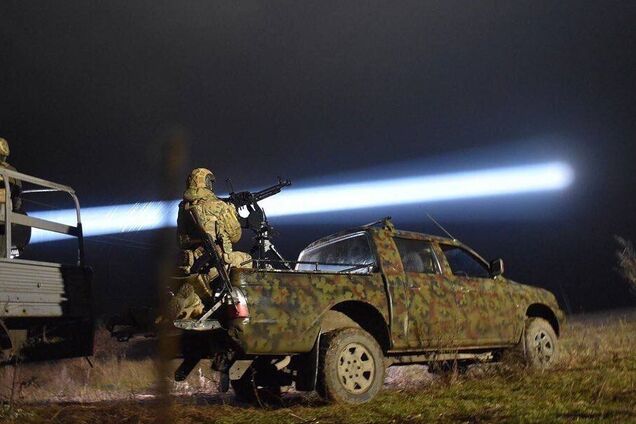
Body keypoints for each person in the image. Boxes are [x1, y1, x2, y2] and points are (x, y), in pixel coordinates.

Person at [169, 168, 252, 320]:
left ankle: (192, 300)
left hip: (193, 263)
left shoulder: (183, 208)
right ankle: (235, 306)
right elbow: (235, 236)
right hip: (215, 263)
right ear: (206, 182)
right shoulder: (219, 206)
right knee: (246, 259)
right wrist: (232, 212)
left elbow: (180, 240)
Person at [0, 138, 22, 258]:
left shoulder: (11, 171)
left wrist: (15, 214)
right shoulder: (11, 171)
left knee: (2, 250)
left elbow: (17, 196)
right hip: (5, 213)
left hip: (4, 214)